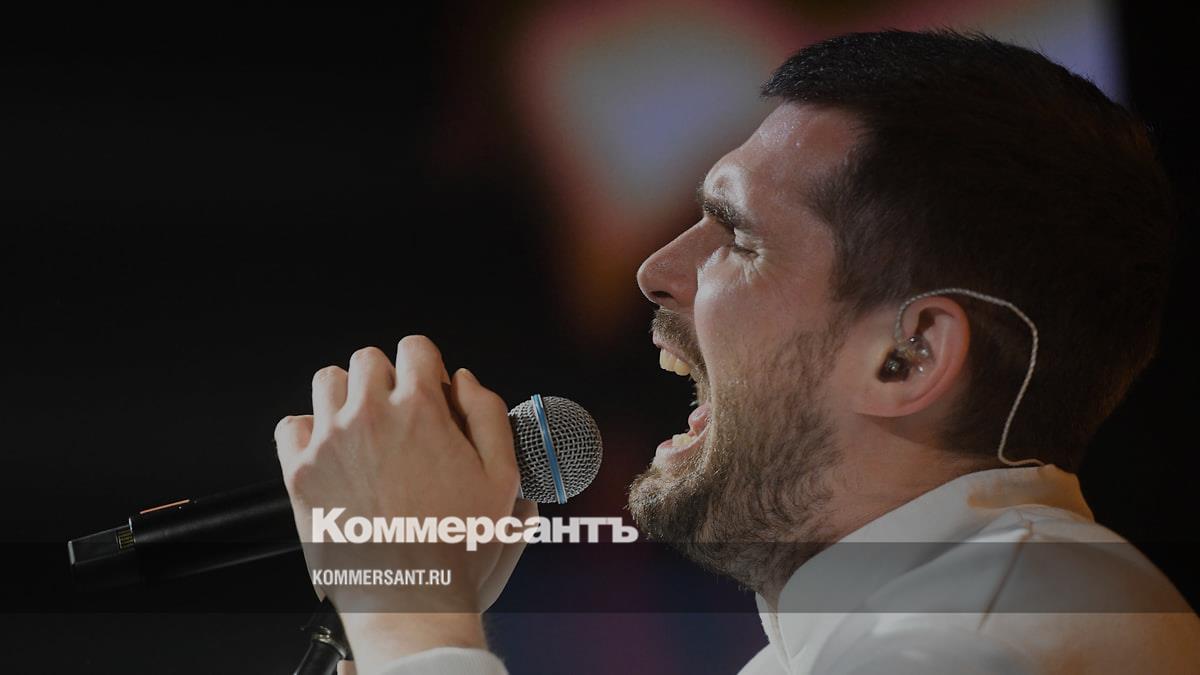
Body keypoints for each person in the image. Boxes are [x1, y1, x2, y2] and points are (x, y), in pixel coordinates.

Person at [273, 30, 1200, 674]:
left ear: (908, 356)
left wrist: (408, 602)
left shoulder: (1003, 623)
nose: (655, 270)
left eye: (735, 233)